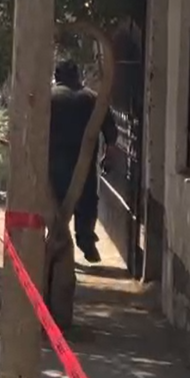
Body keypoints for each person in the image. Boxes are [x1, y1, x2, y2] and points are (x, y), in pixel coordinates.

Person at [49, 59, 119, 264]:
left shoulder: (50, 97)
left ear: (57, 75)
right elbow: (111, 133)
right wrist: (108, 154)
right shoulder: (92, 98)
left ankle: (55, 238)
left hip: (54, 161)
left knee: (55, 201)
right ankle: (86, 239)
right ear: (77, 75)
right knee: (86, 201)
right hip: (84, 162)